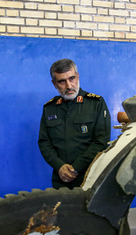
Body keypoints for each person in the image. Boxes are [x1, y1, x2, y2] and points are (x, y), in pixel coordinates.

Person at [38, 59, 111, 189]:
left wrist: (75, 168)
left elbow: (101, 141)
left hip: (90, 177)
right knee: (60, 209)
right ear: (54, 83)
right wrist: (59, 166)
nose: (69, 85)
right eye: (62, 81)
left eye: (72, 78)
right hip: (61, 179)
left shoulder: (96, 104)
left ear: (78, 76)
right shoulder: (49, 108)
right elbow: (44, 142)